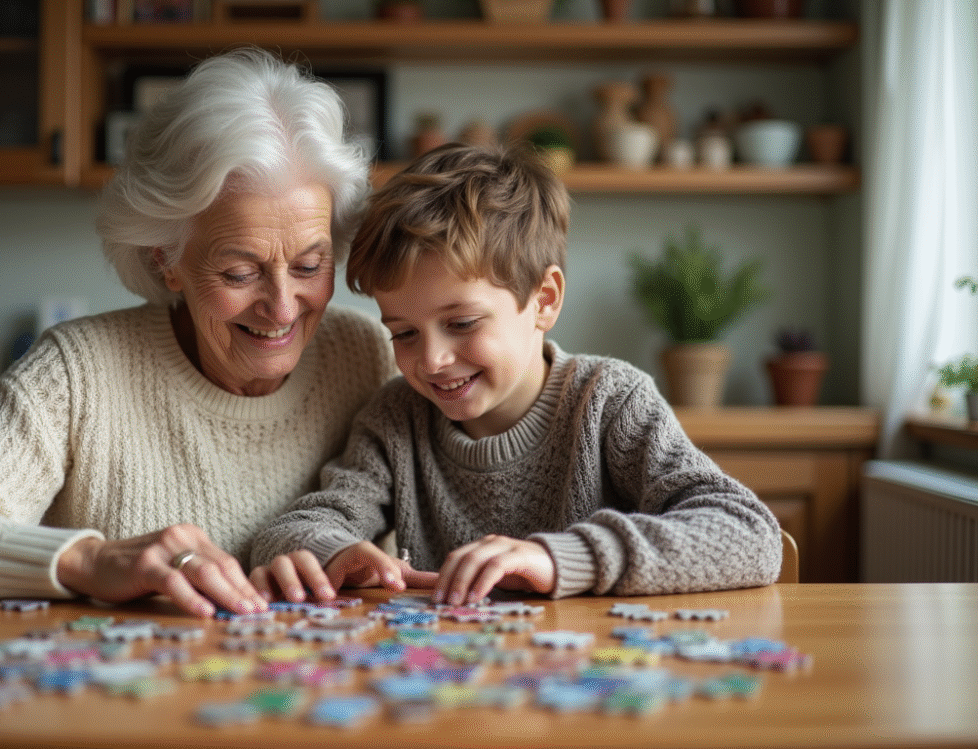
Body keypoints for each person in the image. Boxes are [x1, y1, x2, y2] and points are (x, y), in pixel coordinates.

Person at [0, 48, 399, 617]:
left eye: (310, 265)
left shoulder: (370, 355)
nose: (283, 307)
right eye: (240, 272)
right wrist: (89, 560)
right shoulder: (79, 372)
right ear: (166, 260)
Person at [250, 142, 782, 606]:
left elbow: (749, 533)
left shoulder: (610, 401)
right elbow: (289, 533)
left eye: (461, 323)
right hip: (446, 690)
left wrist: (563, 560)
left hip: (600, 687)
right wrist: (335, 550)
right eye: (404, 333)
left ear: (544, 300)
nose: (431, 360)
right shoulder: (397, 419)